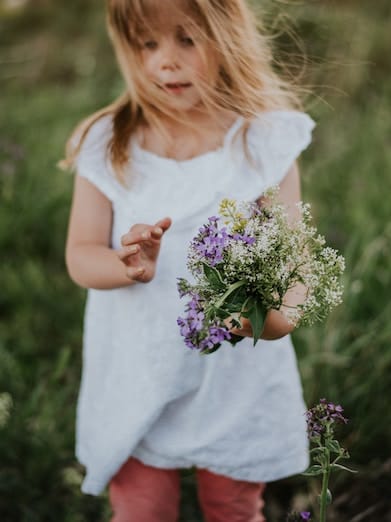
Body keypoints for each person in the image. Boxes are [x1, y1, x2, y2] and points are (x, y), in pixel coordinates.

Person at [63, 0, 315, 520]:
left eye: (185, 39)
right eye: (147, 44)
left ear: (227, 36)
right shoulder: (109, 143)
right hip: (137, 369)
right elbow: (80, 256)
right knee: (141, 508)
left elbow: (294, 261)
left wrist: (274, 319)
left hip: (231, 380)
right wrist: (125, 265)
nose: (165, 62)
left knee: (232, 506)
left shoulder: (261, 142)